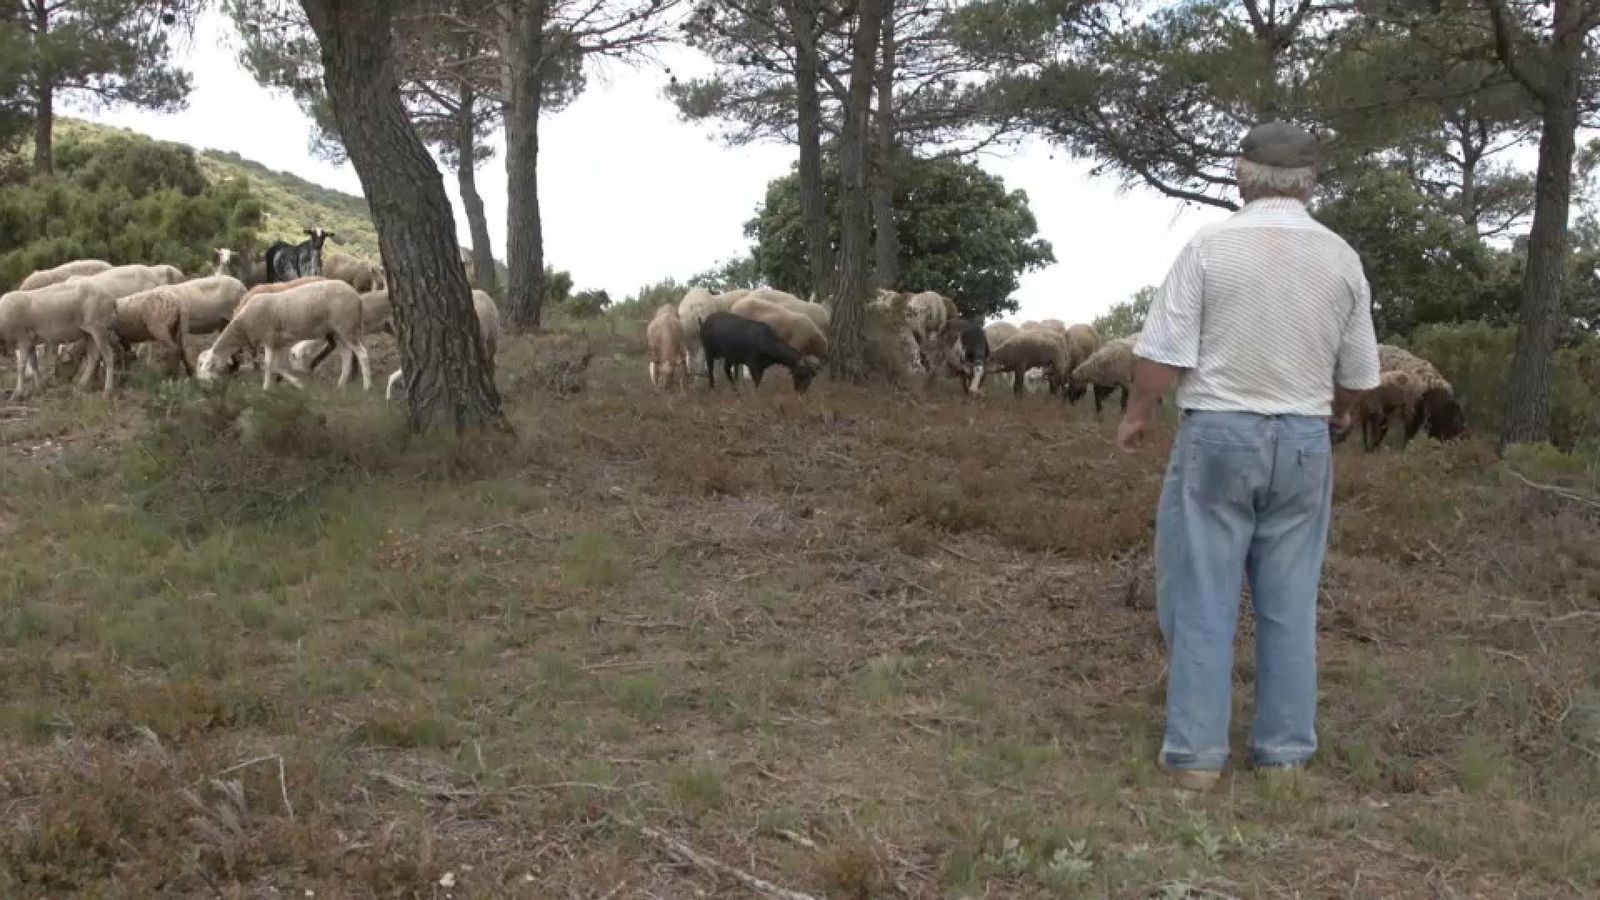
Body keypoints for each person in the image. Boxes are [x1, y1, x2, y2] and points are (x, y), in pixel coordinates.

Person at [1117, 121, 1380, 791]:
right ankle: (1286, 757)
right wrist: (1340, 410)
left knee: (1203, 596)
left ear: (1242, 172)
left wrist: (1139, 415)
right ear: (1311, 181)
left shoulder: (1209, 246)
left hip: (1219, 432)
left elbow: (1164, 351)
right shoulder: (1341, 256)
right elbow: (1358, 370)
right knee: (1290, 601)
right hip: (1301, 438)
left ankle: (1197, 760)